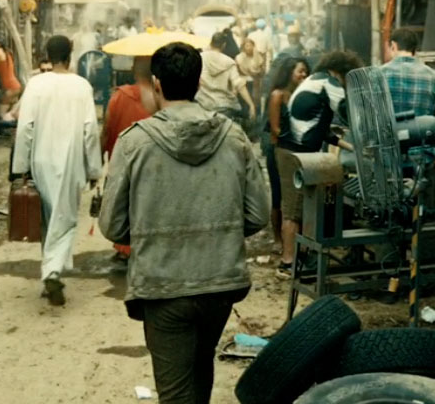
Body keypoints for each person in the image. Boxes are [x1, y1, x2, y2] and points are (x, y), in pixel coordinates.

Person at [99, 42, 269, 403]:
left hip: (163, 286)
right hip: (220, 282)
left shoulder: (135, 142)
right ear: (199, 83)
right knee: (201, 368)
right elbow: (258, 214)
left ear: (157, 84)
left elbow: (113, 226)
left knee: (175, 392)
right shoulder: (233, 136)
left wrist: (148, 235)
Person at [12, 35, 102, 306]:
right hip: (71, 161)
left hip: (41, 159)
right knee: (65, 219)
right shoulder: (81, 86)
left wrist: (21, 166)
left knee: (47, 218)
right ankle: (52, 272)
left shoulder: (36, 84)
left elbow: (25, 127)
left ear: (48, 56)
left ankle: (49, 270)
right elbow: (90, 130)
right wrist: (94, 168)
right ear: (70, 55)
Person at [275, 51, 362, 278]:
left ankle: (301, 257)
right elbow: (347, 113)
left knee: (301, 207)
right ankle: (287, 263)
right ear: (343, 72)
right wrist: (367, 125)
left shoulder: (315, 81)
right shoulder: (329, 83)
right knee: (293, 210)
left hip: (294, 150)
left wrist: (352, 147)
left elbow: (320, 129)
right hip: (294, 152)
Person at [100, 56, 157, 263]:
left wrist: (100, 155)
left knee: (124, 204)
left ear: (133, 69)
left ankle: (125, 248)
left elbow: (107, 129)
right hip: (151, 160)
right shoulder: (160, 97)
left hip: (123, 158)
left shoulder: (120, 96)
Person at [263, 57, 310, 251]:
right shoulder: (277, 95)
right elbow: (276, 129)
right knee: (278, 195)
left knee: (294, 198)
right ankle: (277, 239)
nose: (304, 74)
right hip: (279, 151)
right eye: (300, 71)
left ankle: (294, 239)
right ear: (289, 72)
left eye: (306, 71)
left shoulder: (302, 95)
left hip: (295, 151)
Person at [381, 28, 435, 142]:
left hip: (387, 149)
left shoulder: (377, 75)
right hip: (423, 149)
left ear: (393, 46)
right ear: (415, 50)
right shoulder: (434, 78)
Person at [196, 32, 256, 124]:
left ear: (211, 43)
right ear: (224, 45)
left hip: (202, 105)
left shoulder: (200, 58)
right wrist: (251, 104)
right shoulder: (229, 62)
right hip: (224, 107)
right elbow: (239, 85)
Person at [235, 38, 266, 114]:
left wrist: (256, 73)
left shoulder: (258, 57)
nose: (249, 48)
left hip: (256, 83)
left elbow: (262, 71)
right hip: (244, 83)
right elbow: (238, 72)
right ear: (243, 47)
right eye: (247, 46)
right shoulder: (239, 58)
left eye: (251, 45)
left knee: (256, 101)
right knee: (244, 103)